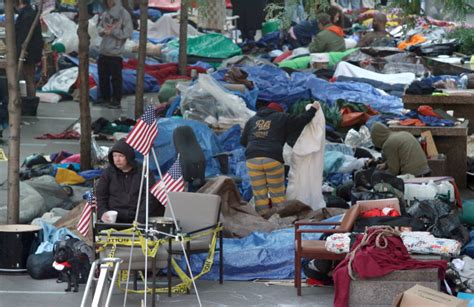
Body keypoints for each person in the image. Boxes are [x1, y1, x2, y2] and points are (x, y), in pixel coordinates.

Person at [240, 101, 320, 215]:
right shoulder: (281, 117)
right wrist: (313, 109)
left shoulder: (253, 120)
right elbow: (300, 120)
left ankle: (263, 220)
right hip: (272, 158)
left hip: (252, 159)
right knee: (277, 193)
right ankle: (278, 220)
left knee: (259, 194)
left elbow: (243, 142)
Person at [96, 138, 164, 224]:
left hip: (136, 218)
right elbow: (101, 195)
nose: (117, 160)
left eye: (121, 156)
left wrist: (140, 219)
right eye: (115, 156)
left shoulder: (143, 172)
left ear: (128, 157)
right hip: (113, 219)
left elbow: (149, 198)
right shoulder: (109, 172)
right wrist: (102, 212)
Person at [97, 0, 133, 109]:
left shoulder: (124, 14)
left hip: (116, 53)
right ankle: (105, 98)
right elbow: (99, 28)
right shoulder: (105, 13)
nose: (109, 2)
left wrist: (113, 32)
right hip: (103, 51)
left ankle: (116, 100)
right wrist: (103, 31)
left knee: (116, 79)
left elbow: (127, 32)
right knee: (103, 77)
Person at [15, 0, 43, 98]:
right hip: (30, 50)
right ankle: (30, 100)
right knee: (28, 78)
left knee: (29, 78)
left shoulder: (27, 15)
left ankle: (31, 102)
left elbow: (23, 36)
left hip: (28, 51)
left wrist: (21, 51)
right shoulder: (30, 13)